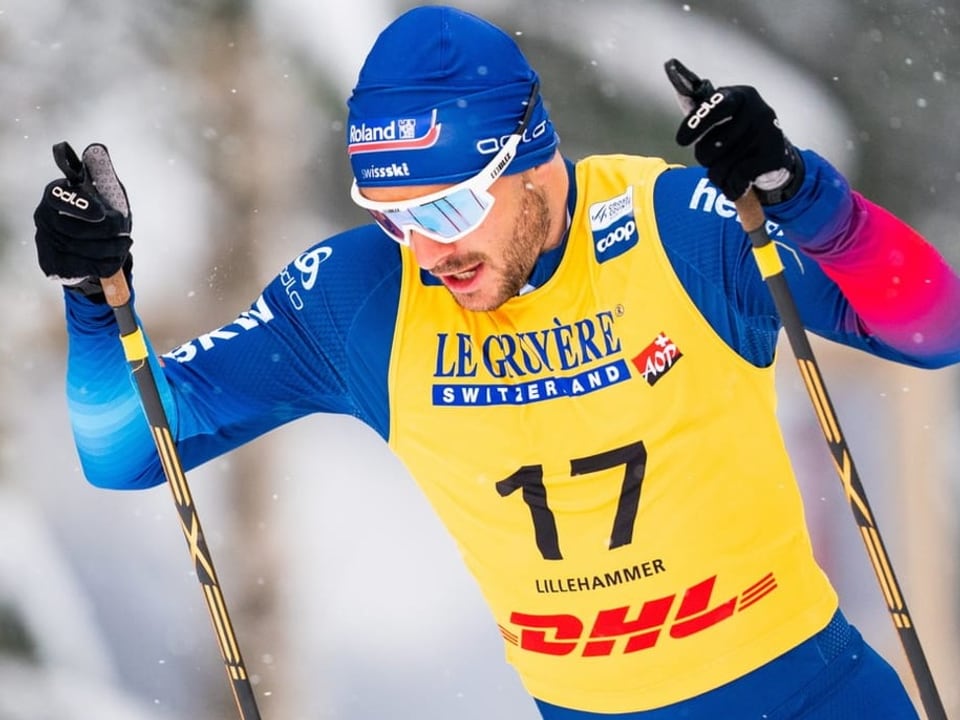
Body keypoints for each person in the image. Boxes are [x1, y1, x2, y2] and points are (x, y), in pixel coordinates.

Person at [33, 5, 960, 719]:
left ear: (532, 161)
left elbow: (935, 327)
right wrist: (91, 297)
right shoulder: (364, 298)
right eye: (392, 214)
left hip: (808, 696)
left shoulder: (673, 230)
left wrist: (805, 199)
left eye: (445, 209)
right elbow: (126, 451)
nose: (426, 248)